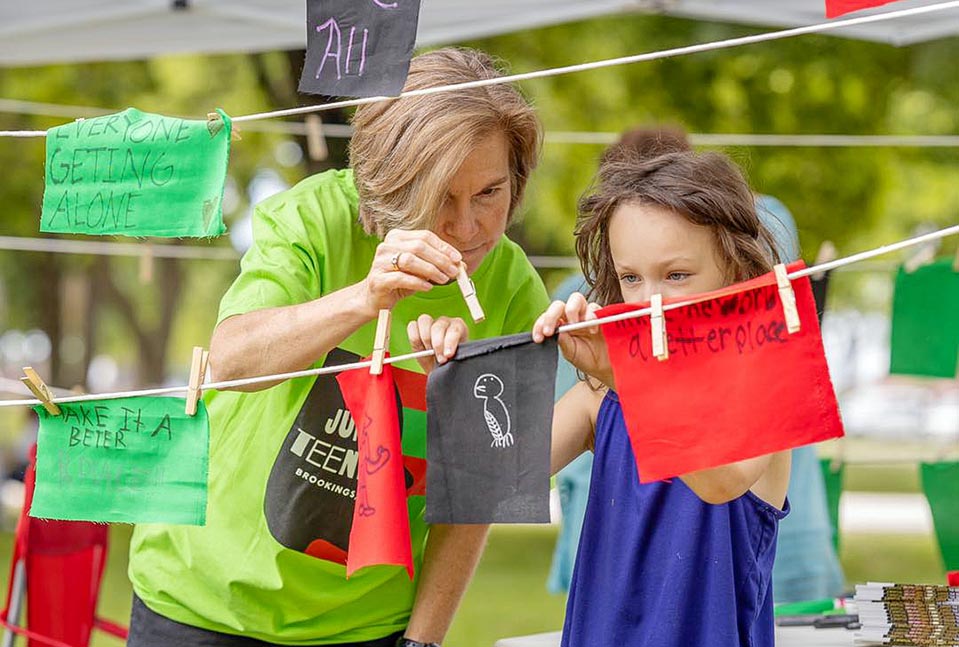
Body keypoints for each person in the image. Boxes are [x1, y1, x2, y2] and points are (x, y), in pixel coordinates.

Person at [126, 48, 550, 647]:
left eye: (489, 192)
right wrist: (364, 299)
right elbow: (230, 362)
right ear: (392, 181)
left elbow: (477, 491)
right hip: (201, 599)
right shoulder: (314, 218)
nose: (467, 226)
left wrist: (421, 641)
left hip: (364, 624)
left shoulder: (512, 290)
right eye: (440, 195)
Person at [533, 149, 792, 646]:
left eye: (676, 276)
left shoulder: (766, 380)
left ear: (736, 270)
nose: (649, 302)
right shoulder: (601, 397)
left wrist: (630, 379)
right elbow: (497, 473)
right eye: (631, 277)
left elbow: (721, 481)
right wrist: (453, 375)